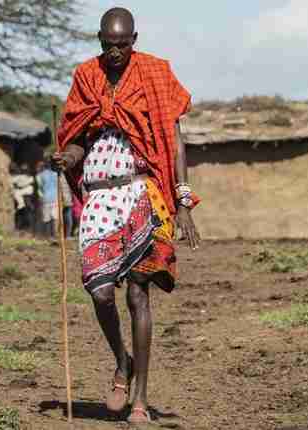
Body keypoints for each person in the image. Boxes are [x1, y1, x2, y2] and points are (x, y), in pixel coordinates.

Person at [51, 7, 200, 424]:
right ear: (99, 40)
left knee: (138, 294)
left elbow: (174, 142)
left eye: (121, 45)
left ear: (134, 39)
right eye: (106, 45)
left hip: (141, 193)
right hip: (98, 197)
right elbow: (79, 141)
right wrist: (66, 157)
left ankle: (139, 399)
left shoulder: (154, 74)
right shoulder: (86, 77)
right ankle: (122, 360)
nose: (114, 52)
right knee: (99, 291)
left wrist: (183, 201)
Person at [35, 159, 59, 237]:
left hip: (45, 198)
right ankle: (54, 234)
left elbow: (40, 187)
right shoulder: (56, 174)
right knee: (54, 217)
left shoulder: (40, 176)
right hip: (55, 197)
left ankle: (48, 235)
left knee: (46, 217)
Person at [10, 163, 35, 231]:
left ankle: (27, 227)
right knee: (23, 212)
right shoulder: (27, 177)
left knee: (26, 211)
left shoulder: (27, 177)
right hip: (24, 196)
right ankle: (21, 227)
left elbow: (12, 181)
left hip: (27, 196)